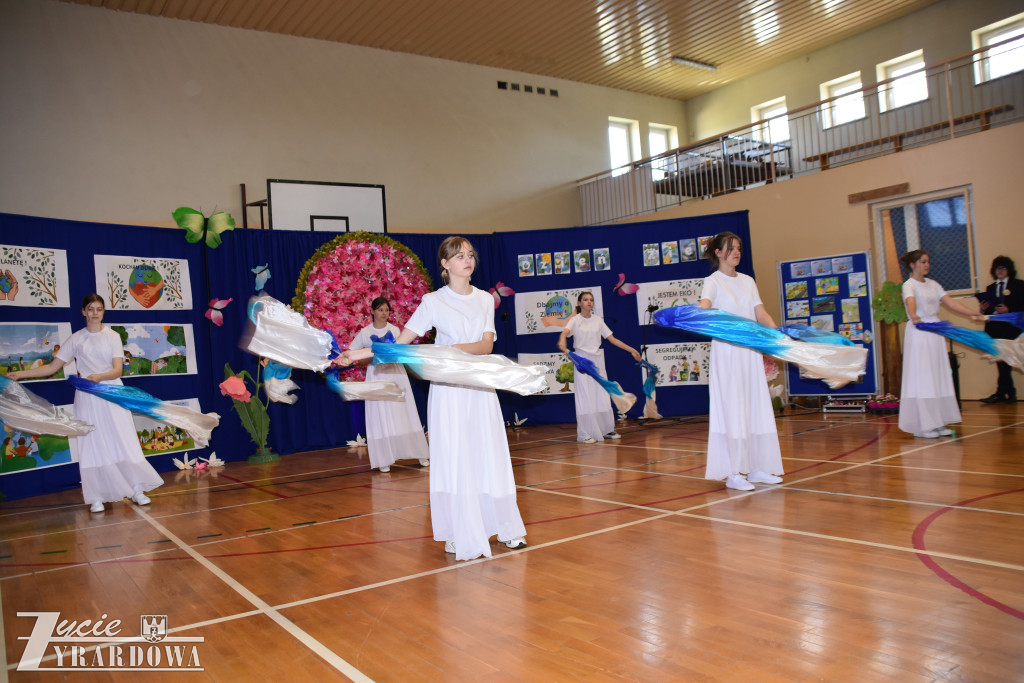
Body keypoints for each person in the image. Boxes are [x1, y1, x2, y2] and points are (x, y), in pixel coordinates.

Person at [339, 237, 527, 561]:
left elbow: (485, 347)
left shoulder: (484, 299)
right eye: (458, 256)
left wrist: (444, 351)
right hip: (449, 390)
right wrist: (359, 353)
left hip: (479, 387)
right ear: (445, 264)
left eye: (470, 255)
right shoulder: (433, 301)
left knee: (489, 453)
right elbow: (401, 343)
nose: (466, 260)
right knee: (455, 457)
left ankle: (506, 527)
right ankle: (458, 531)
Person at [8, 294, 163, 512]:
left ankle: (137, 488)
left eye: (99, 309)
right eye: (90, 309)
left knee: (122, 438)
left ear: (103, 312)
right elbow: (52, 367)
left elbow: (117, 370)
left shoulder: (112, 336)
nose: (95, 313)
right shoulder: (76, 339)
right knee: (92, 443)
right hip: (88, 397)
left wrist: (100, 378)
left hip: (111, 392)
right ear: (83, 311)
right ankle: (96, 496)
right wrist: (20, 375)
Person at [699, 231, 784, 491]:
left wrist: (775, 334)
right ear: (718, 252)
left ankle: (757, 468)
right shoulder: (712, 281)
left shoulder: (748, 281)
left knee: (755, 406)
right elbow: (703, 310)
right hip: (727, 354)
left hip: (750, 352)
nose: (736, 252)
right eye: (731, 248)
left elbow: (760, 312)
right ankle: (734, 472)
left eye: (738, 248)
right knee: (734, 408)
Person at [898, 250, 984, 438]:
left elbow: (950, 303)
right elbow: (910, 301)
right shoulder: (909, 285)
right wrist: (913, 315)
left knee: (938, 376)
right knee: (924, 377)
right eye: (922, 262)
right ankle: (923, 426)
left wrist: (972, 313)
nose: (927, 265)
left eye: (928, 261)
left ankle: (937, 422)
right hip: (920, 331)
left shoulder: (934, 284)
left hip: (935, 332)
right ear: (912, 265)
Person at [348, 296, 430, 472]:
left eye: (386, 310)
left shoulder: (394, 330)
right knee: (380, 414)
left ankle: (420, 453)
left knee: (404, 411)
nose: (384, 313)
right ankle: (384, 458)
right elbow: (353, 353)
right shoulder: (364, 332)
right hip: (376, 376)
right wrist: (366, 358)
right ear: (372, 311)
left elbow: (401, 352)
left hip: (395, 375)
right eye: (380, 310)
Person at [556, 291, 641, 443]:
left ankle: (606, 429)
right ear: (579, 303)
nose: (589, 302)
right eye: (585, 300)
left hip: (598, 361)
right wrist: (562, 340)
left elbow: (613, 339)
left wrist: (632, 350)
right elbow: (565, 333)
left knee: (601, 395)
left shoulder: (598, 321)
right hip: (582, 362)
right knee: (585, 396)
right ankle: (585, 434)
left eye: (591, 300)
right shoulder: (575, 320)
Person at [979, 256, 1023, 404]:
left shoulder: (1019, 285)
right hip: (995, 329)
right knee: (1001, 362)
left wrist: (1008, 310)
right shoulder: (990, 288)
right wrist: (984, 310)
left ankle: (1003, 393)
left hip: (1011, 329)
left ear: (1009, 270)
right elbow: (988, 312)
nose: (1000, 271)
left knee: (1008, 361)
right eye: (997, 268)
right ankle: (1007, 393)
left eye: (1003, 268)